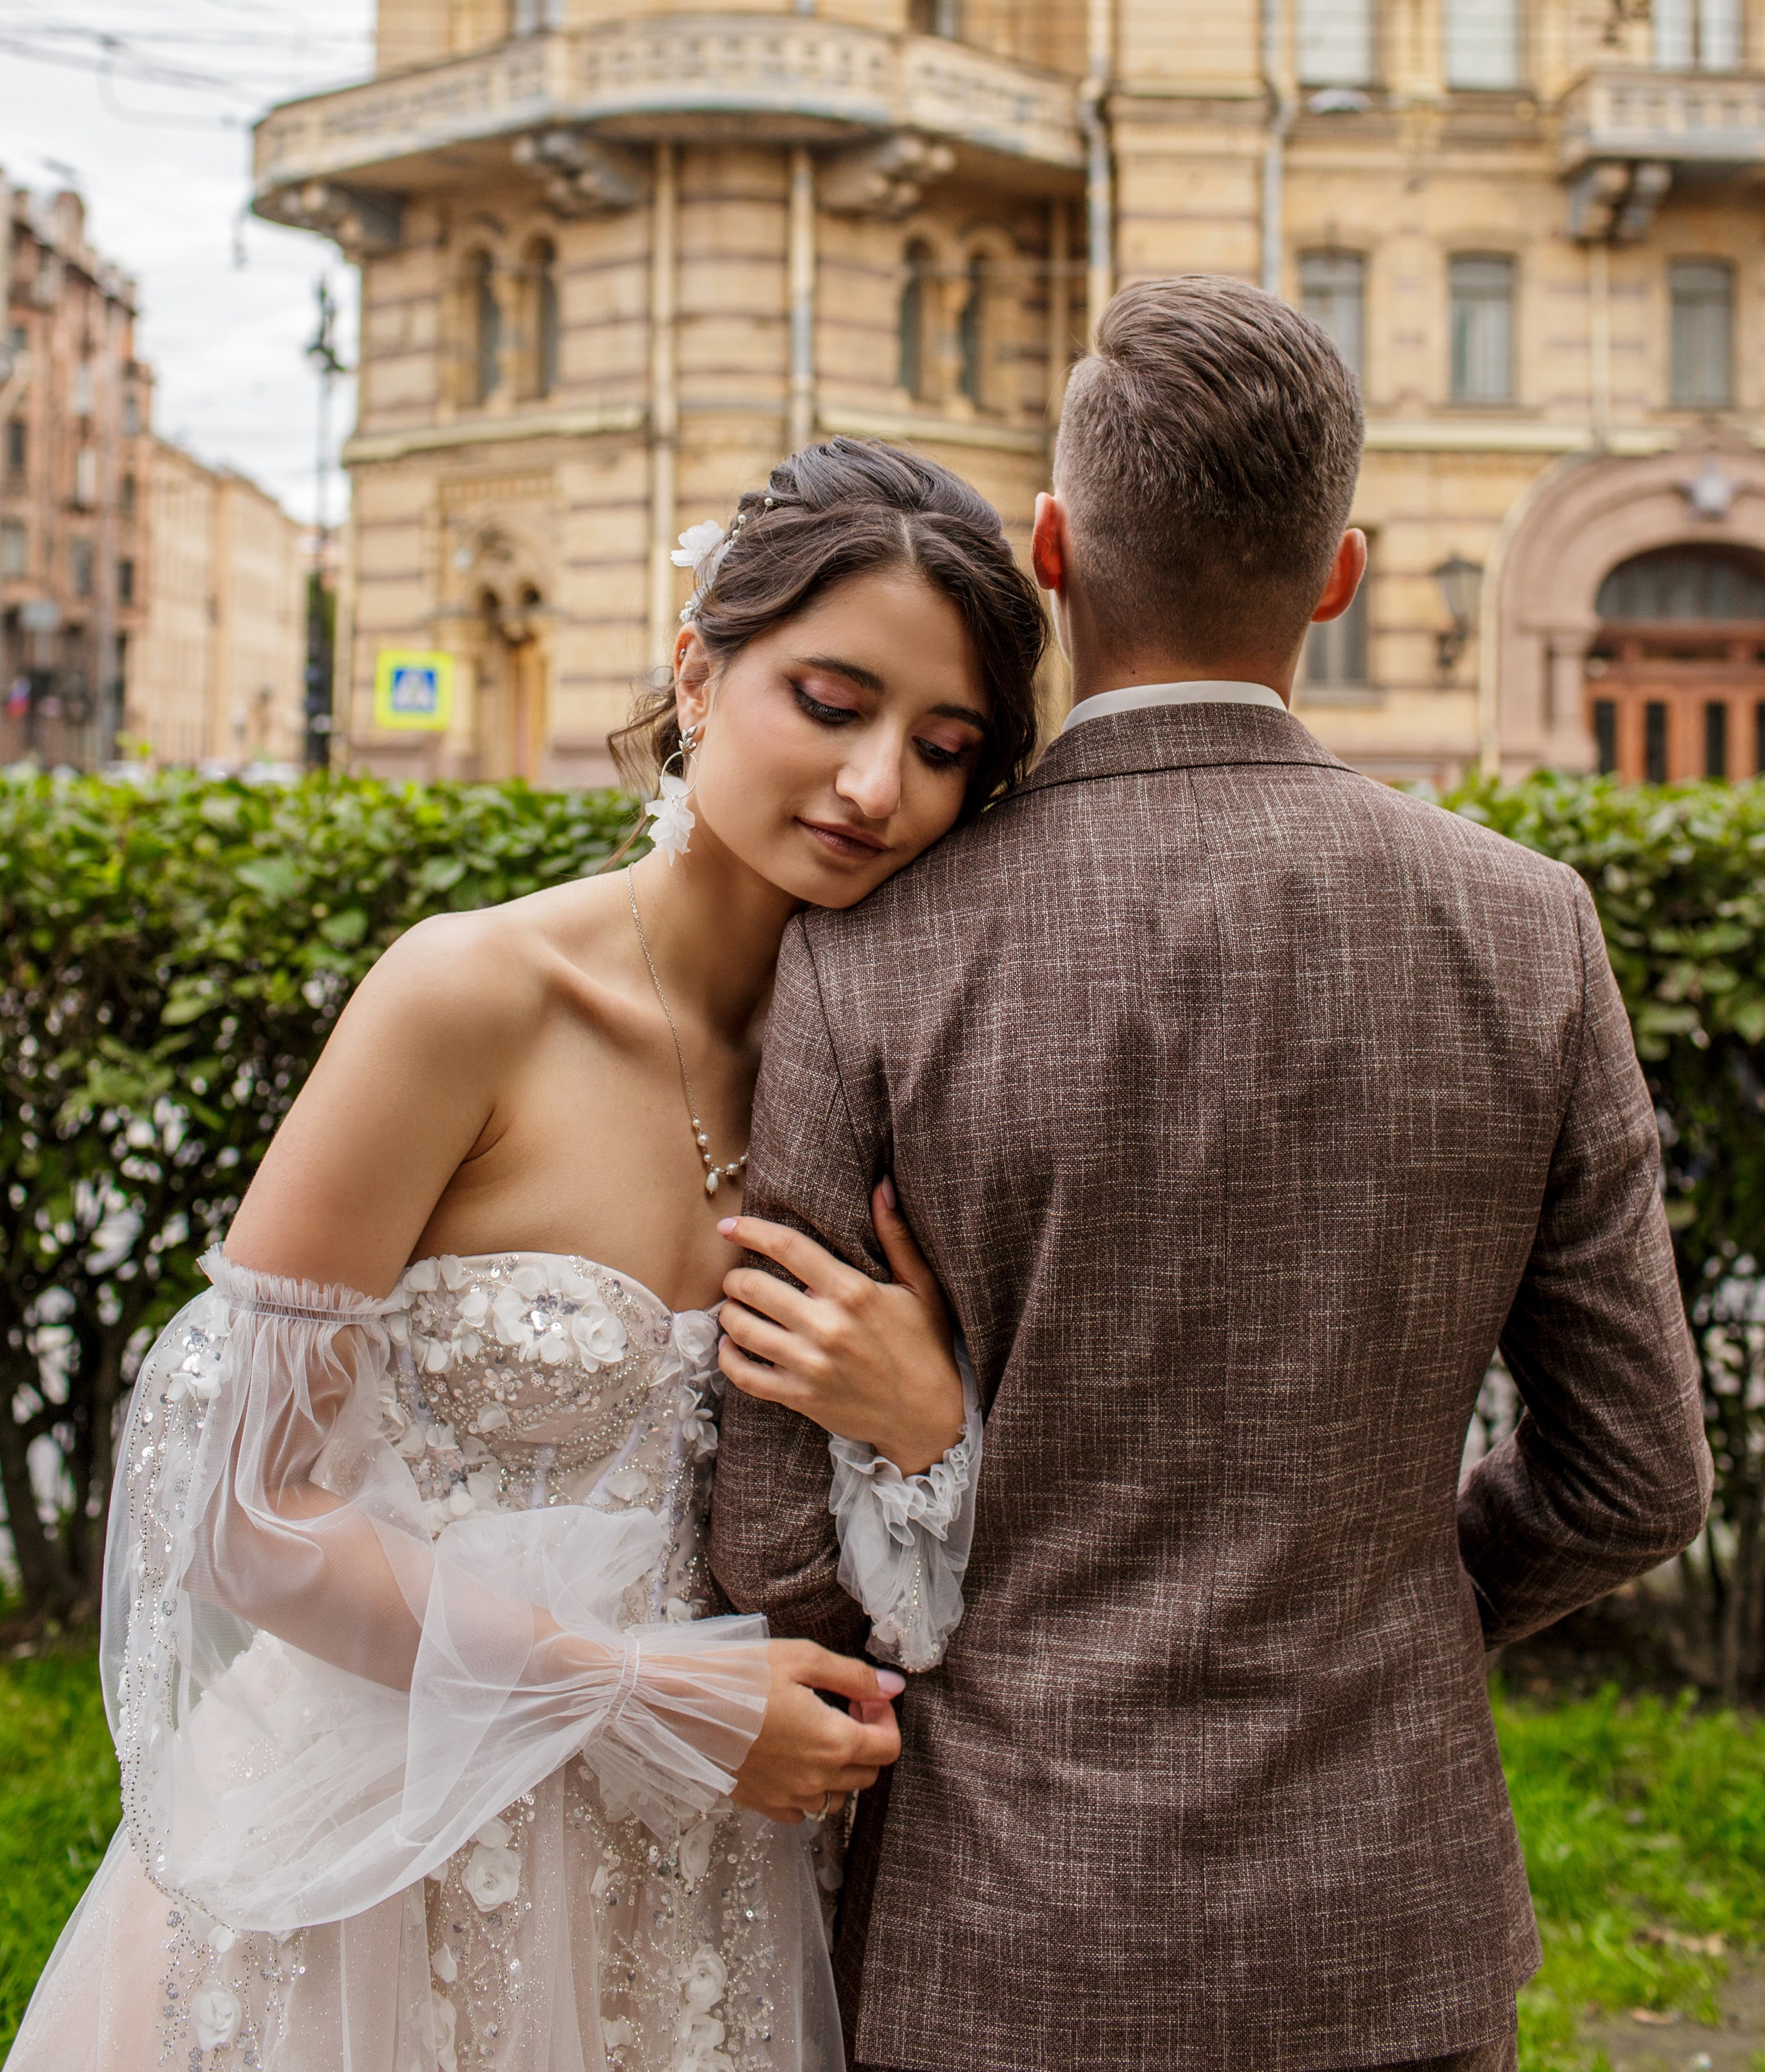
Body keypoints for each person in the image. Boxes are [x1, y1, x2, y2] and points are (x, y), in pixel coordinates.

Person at [710, 275, 1714, 2072]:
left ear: (1050, 550)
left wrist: (966, 1577)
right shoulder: (1530, 933)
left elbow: (771, 1530)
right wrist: (1403, 1606)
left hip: (995, 1938)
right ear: (1340, 573)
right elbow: (1636, 1481)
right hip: (1382, 1930)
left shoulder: (879, 947)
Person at [10, 439, 1037, 2072]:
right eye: (829, 705)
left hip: (712, 1883)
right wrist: (633, 1691)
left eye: (941, 745)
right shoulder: (466, 997)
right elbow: (240, 1515)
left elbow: (923, 1565)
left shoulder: (895, 1074)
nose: (873, 788)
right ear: (699, 671)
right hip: (394, 1851)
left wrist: (925, 1431)